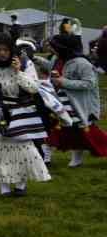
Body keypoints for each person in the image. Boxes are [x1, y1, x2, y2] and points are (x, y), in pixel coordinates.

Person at [0, 31, 50, 197]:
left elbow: (34, 88)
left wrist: (18, 71)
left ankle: (21, 185)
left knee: (24, 149)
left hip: (21, 112)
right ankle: (4, 187)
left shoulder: (24, 63)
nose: (2, 53)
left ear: (11, 49)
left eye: (5, 49)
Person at [49, 33, 106, 167]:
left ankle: (77, 157)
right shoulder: (60, 60)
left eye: (54, 47)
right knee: (70, 131)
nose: (52, 50)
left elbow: (89, 83)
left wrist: (63, 82)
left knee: (87, 133)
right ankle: (74, 159)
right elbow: (51, 69)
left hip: (81, 105)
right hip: (65, 103)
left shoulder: (82, 63)